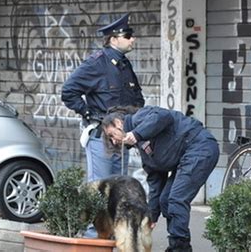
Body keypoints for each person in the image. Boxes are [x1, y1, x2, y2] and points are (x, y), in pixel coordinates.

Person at [102, 105, 219, 252]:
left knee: (176, 199)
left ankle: (179, 248)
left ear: (118, 123)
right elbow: (156, 183)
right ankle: (178, 245)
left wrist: (137, 133)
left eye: (111, 135)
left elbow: (164, 116)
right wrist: (151, 217)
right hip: (187, 157)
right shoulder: (143, 149)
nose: (113, 142)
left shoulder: (140, 117)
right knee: (166, 200)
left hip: (200, 148)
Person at [61, 13, 144, 182]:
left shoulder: (124, 64)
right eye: (127, 36)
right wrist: (89, 114)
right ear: (113, 39)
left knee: (120, 190)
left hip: (122, 137)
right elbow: (68, 91)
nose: (132, 39)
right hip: (102, 137)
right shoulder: (96, 63)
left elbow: (137, 99)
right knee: (100, 189)